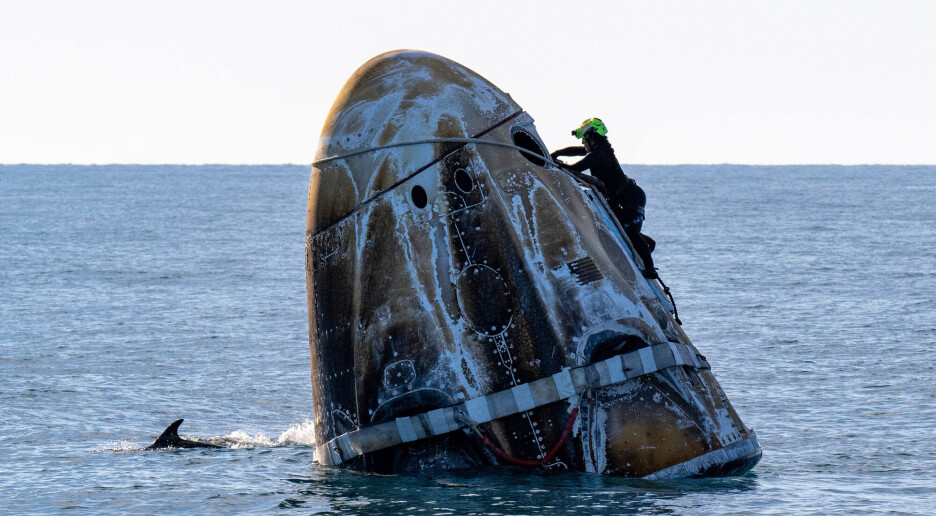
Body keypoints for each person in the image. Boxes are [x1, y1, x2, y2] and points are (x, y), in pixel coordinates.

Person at [551, 118, 658, 279]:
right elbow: (579, 151)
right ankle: (648, 244)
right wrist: (557, 153)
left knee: (630, 231)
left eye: (584, 139)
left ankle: (650, 269)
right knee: (622, 229)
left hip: (632, 197)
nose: (582, 143)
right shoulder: (598, 151)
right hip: (620, 199)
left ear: (591, 138)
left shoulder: (600, 155)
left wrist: (555, 162)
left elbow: (576, 168)